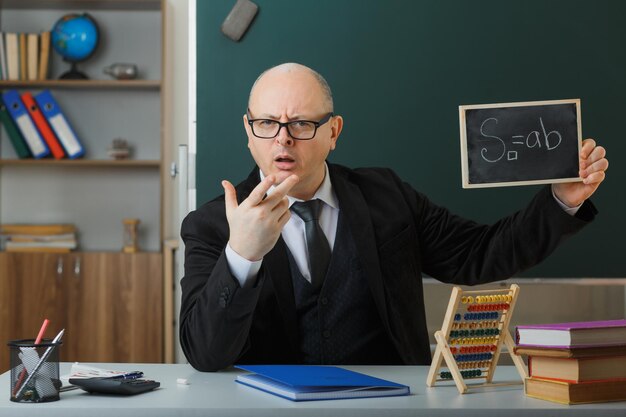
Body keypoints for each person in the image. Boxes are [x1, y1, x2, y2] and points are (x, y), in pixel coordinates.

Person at [180, 63, 608, 372]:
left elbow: (479, 255)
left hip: (392, 405)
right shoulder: (212, 225)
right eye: (267, 123)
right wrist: (242, 255)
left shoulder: (387, 197)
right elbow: (205, 354)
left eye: (303, 124)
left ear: (334, 132)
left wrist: (560, 202)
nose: (284, 138)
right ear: (248, 131)